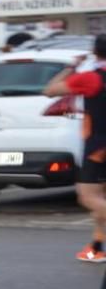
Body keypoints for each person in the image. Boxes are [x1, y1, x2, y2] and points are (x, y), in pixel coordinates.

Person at [43, 41, 106, 262]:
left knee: (88, 196)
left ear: (96, 52)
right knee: (100, 198)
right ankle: (96, 248)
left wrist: (72, 66)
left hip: (99, 147)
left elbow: (50, 90)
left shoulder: (91, 78)